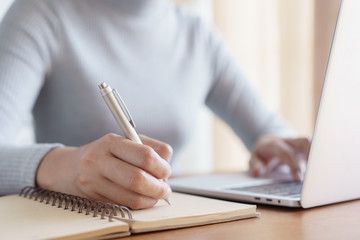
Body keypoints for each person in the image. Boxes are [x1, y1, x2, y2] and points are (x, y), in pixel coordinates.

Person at [0, 0, 310, 209]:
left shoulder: (195, 34)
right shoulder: (39, 14)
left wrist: (274, 145)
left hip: (165, 220)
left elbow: (273, 134)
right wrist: (66, 165)